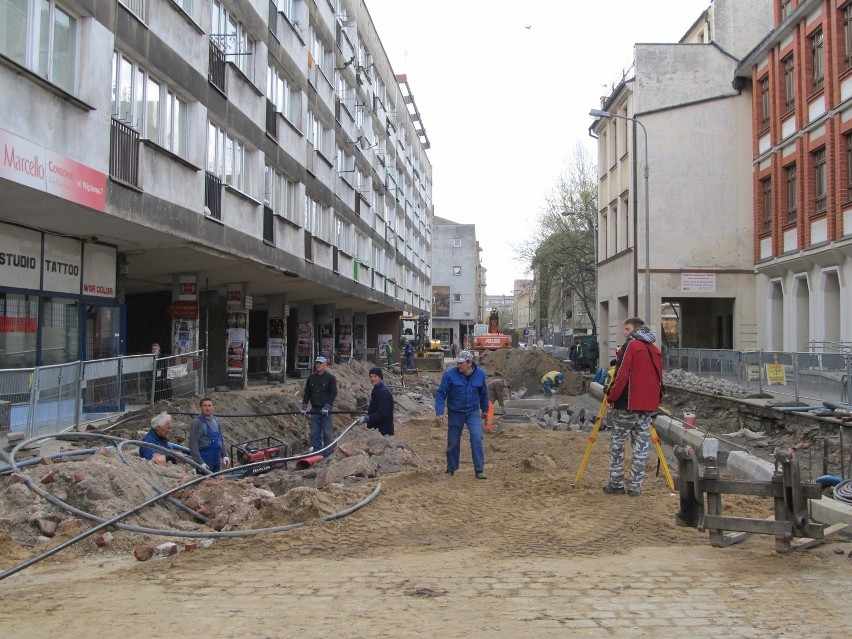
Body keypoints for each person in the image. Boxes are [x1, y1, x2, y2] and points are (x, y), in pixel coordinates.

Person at [603, 317, 663, 497]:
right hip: (646, 408)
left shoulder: (631, 346)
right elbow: (659, 379)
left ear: (635, 330)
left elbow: (621, 376)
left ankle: (616, 483)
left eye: (627, 329)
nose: (624, 333)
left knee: (617, 445)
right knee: (641, 448)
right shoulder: (655, 350)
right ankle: (636, 486)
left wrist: (611, 397)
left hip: (627, 405)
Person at [434, 350, 489, 479]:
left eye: (461, 363)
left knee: (477, 437)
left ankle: (479, 469)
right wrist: (439, 413)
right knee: (453, 441)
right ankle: (451, 468)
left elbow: (484, 393)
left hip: (472, 412)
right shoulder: (449, 375)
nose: (458, 366)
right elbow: (441, 394)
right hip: (455, 412)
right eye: (457, 363)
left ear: (470, 363)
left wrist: (485, 410)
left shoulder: (480, 374)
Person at [301, 355, 338, 457]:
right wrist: (304, 405)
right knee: (315, 433)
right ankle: (317, 453)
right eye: (317, 363)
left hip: (326, 410)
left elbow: (333, 393)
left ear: (325, 365)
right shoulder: (311, 378)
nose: (318, 365)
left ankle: (327, 454)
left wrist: (327, 405)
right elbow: (307, 392)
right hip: (315, 409)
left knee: (327, 433)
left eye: (320, 363)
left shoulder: (330, 378)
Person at [189, 397, 230, 473]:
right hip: (205, 459)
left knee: (215, 482)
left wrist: (224, 455)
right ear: (200, 408)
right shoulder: (196, 423)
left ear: (213, 407)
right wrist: (200, 463)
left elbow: (220, 439)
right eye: (204, 406)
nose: (207, 408)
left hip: (216, 459)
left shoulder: (216, 420)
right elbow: (193, 445)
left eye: (209, 405)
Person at [358, 367, 394, 436]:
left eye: (375, 376)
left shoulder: (383, 392)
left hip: (383, 430)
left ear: (380, 377)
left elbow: (382, 413)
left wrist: (368, 418)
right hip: (378, 428)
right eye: (371, 376)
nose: (372, 379)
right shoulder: (377, 389)